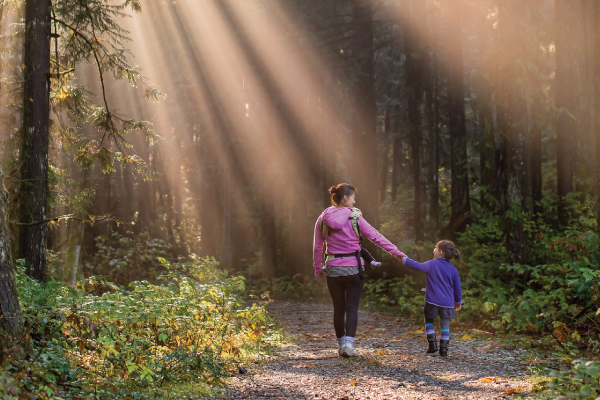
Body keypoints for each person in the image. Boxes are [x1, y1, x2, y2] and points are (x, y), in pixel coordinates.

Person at [313, 183, 405, 357]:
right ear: (346, 198)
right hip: (354, 269)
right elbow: (376, 237)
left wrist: (318, 268)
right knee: (352, 308)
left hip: (333, 269)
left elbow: (318, 247)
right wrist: (397, 253)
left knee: (338, 308)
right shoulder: (355, 217)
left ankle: (341, 346)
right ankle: (349, 345)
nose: (354, 202)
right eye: (353, 198)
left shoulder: (323, 218)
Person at [398, 240, 463, 357]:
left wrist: (403, 259)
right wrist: (458, 302)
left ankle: (432, 343)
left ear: (441, 252)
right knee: (445, 325)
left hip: (432, 300)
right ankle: (444, 349)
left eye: (435, 248)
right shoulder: (453, 270)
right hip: (447, 303)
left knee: (428, 321)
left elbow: (417, 265)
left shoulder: (432, 264)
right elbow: (457, 288)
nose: (434, 250)